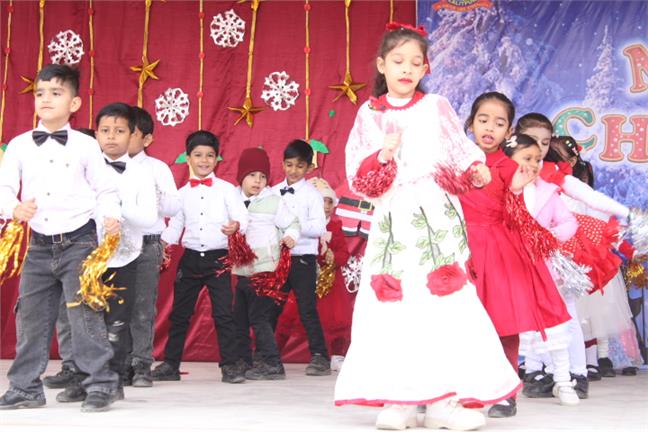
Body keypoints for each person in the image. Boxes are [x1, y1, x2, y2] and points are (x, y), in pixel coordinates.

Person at [334, 25, 520, 431]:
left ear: (425, 68)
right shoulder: (369, 114)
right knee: (396, 305)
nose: (406, 69)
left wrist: (474, 169)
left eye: (415, 63)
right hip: (393, 218)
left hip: (436, 215)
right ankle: (398, 400)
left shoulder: (436, 106)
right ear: (382, 65)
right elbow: (357, 172)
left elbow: (459, 150)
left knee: (443, 303)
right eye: (398, 61)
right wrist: (383, 157)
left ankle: (444, 402)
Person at [0, 64, 121, 412]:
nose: (46, 99)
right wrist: (14, 208)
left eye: (56, 93)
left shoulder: (86, 145)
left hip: (79, 241)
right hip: (39, 244)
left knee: (85, 315)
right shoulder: (20, 145)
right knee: (31, 317)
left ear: (74, 103)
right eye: (40, 93)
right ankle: (25, 388)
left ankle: (101, 384)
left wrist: (110, 215)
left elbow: (106, 189)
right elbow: (4, 187)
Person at [461, 92, 571, 417]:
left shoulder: (510, 166)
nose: (489, 128)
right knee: (459, 321)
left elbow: (516, 207)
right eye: (483, 120)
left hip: (497, 252)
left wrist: (518, 187)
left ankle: (505, 392)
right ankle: (458, 389)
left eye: (499, 123)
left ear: (509, 131)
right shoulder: (459, 159)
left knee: (503, 323)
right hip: (458, 248)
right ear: (471, 123)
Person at [55, 102, 157, 403]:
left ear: (133, 135)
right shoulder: (82, 169)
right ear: (96, 134)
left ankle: (112, 380)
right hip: (84, 256)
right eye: (105, 130)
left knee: (117, 322)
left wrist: (118, 210)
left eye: (120, 131)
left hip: (124, 257)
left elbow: (149, 218)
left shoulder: (141, 173)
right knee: (84, 320)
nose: (111, 136)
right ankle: (84, 378)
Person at [151, 131, 248, 383]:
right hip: (191, 259)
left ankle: (230, 365)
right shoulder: (182, 194)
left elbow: (242, 216)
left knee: (223, 314)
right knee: (180, 314)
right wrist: (163, 244)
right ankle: (171, 364)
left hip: (219, 259)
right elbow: (175, 225)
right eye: (198, 155)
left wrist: (236, 226)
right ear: (188, 158)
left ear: (217, 158)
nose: (204, 160)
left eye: (209, 155)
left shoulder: (227, 190)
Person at [501, 133, 582, 405]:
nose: (534, 164)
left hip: (542, 268)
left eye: (537, 159)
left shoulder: (547, 192)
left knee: (553, 322)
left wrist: (548, 236)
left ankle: (563, 381)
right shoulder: (498, 191)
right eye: (526, 158)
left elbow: (568, 222)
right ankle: (505, 385)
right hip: (507, 268)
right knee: (508, 327)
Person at [232, 147, 299, 380]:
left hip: (265, 269)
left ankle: (272, 363)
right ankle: (243, 361)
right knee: (240, 318)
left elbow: (293, 223)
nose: (257, 181)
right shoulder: (232, 199)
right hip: (242, 269)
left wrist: (291, 236)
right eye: (252, 175)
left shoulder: (273, 201)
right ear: (241, 175)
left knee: (259, 318)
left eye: (262, 177)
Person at [126, 106, 181, 387]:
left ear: (146, 139)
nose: (121, 138)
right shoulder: (106, 165)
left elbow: (173, 207)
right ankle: (118, 363)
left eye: (130, 133)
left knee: (142, 306)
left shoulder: (157, 168)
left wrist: (152, 194)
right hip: (115, 243)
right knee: (114, 305)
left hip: (147, 244)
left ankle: (141, 364)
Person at [270, 139, 331, 376]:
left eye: (299, 166)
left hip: (303, 258)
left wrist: (293, 227)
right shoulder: (273, 192)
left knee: (307, 308)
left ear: (309, 168)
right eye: (289, 164)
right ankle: (265, 354)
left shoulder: (313, 195)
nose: (293, 170)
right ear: (282, 164)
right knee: (271, 307)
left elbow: (319, 228)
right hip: (278, 258)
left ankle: (320, 356)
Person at [310, 178, 352, 368]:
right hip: (308, 277)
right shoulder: (306, 225)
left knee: (338, 317)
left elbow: (344, 254)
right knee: (291, 316)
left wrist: (333, 256)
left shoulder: (335, 226)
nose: (326, 206)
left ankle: (337, 355)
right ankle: (271, 355)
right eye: (322, 201)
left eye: (329, 202)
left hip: (331, 281)